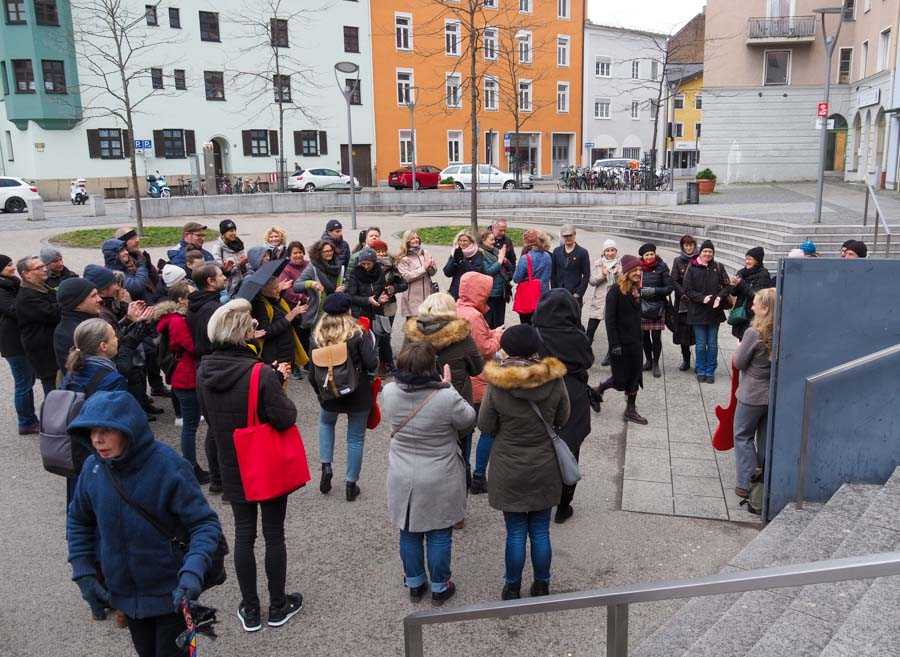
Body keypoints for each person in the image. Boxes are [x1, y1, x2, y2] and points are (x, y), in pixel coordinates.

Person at [66, 391, 223, 653]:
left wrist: (193, 571)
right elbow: (79, 520)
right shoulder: (93, 469)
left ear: (128, 430)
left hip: (172, 595)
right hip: (126, 596)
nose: (97, 439)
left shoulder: (169, 466)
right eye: (92, 430)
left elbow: (204, 525)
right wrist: (83, 569)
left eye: (106, 430)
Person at [196, 299, 303, 632]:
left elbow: (209, 417)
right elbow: (285, 418)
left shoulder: (204, 371)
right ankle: (278, 604)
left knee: (244, 534)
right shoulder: (261, 373)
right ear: (244, 336)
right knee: (273, 534)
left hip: (231, 461)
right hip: (264, 462)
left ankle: (251, 607)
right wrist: (279, 382)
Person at [478, 324, 569, 600]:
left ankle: (512, 586)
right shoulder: (554, 379)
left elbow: (485, 424)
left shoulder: (498, 383)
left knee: (515, 531)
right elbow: (563, 417)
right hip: (544, 462)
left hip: (509, 464)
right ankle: (542, 583)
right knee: (541, 530)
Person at [382, 342, 476, 606]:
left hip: (402, 471)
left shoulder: (388, 392)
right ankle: (440, 584)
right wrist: (449, 386)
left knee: (408, 529)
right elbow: (468, 419)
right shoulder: (445, 397)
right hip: (439, 472)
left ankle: (414, 582)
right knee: (438, 531)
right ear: (431, 367)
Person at [405, 291, 485, 492]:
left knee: (426, 456)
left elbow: (404, 366)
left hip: (421, 401)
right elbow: (477, 368)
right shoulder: (462, 337)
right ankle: (458, 512)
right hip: (456, 401)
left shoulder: (412, 335)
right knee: (460, 457)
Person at [309, 293, 378, 501]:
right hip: (357, 390)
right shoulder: (359, 332)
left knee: (326, 424)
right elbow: (371, 362)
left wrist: (319, 393)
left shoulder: (316, 334)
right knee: (355, 438)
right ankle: (350, 483)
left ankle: (326, 466)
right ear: (349, 311)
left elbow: (312, 369)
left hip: (328, 389)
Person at [533, 289, 593, 523]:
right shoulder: (577, 335)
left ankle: (543, 498)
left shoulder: (536, 334)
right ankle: (563, 505)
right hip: (574, 394)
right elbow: (588, 361)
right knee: (571, 448)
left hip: (544, 393)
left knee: (543, 445)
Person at [60, 317, 129, 503]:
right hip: (99, 450)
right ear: (103, 346)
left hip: (73, 447)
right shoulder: (111, 379)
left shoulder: (73, 372)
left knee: (78, 504)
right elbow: (117, 421)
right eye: (114, 336)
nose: (117, 339)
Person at [155, 281, 210, 483]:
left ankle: (191, 465)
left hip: (186, 374)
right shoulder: (177, 321)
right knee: (190, 425)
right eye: (190, 296)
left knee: (192, 423)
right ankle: (190, 467)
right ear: (180, 300)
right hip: (185, 377)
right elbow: (191, 346)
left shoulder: (177, 318)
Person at [456, 273, 502, 492]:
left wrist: (491, 332)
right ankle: (477, 476)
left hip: (461, 380)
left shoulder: (457, 308)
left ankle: (461, 475)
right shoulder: (473, 316)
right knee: (487, 429)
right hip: (478, 382)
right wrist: (499, 337)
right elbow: (484, 349)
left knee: (462, 433)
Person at [591, 255, 648, 424]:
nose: (638, 272)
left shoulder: (637, 290)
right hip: (621, 344)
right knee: (620, 379)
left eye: (640, 270)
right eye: (635, 269)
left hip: (636, 341)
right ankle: (597, 390)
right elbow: (610, 320)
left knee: (635, 376)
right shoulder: (615, 291)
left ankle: (630, 410)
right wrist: (614, 344)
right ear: (627, 271)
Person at [732, 288, 775, 500]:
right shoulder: (782, 329)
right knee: (766, 439)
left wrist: (739, 349)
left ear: (765, 308)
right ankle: (764, 483)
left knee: (743, 435)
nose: (751, 306)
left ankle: (746, 483)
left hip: (752, 393)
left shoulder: (754, 333)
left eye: (756, 303)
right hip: (773, 393)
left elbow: (739, 362)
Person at [187, 264, 226, 491]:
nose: (224, 278)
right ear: (210, 281)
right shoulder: (211, 308)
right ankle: (220, 479)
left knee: (214, 424)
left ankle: (218, 478)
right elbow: (215, 338)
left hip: (204, 364)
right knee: (217, 426)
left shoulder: (197, 303)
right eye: (220, 275)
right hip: (213, 364)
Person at [0, 255, 39, 434]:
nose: (13, 268)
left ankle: (29, 419)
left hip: (21, 340)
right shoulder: (3, 290)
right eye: (8, 265)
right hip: (13, 344)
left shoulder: (12, 283)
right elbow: (15, 310)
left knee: (27, 380)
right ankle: (26, 422)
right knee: (23, 383)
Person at [683, 240, 731, 384]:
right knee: (700, 343)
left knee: (712, 344)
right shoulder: (692, 267)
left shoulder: (718, 267)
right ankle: (701, 369)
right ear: (700, 252)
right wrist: (702, 298)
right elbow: (687, 289)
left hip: (714, 312)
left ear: (713, 253)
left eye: (710, 251)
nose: (707, 254)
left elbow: (727, 286)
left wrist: (719, 297)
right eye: (705, 251)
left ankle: (710, 371)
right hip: (697, 311)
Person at [15, 256, 60, 394]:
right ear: (26, 274)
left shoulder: (43, 287)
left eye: (44, 265)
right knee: (54, 391)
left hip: (51, 348)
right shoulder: (27, 297)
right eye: (39, 268)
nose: (45, 269)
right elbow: (53, 314)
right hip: (44, 353)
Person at [250, 273, 308, 370]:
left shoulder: (276, 300)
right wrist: (288, 317)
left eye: (278, 286)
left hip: (285, 351)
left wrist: (282, 292)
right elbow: (265, 332)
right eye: (274, 288)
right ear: (264, 290)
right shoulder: (260, 306)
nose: (278, 290)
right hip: (274, 356)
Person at [53, 277, 104, 374]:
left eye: (97, 294)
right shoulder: (71, 333)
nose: (99, 299)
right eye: (93, 296)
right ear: (77, 304)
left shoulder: (89, 320)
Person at [294, 240, 346, 332]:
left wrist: (343, 287)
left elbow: (347, 281)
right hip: (319, 312)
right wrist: (311, 283)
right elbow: (296, 286)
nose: (329, 253)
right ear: (319, 253)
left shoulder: (339, 266)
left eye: (331, 250)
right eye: (326, 251)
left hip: (335, 311)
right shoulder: (313, 267)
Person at [637, 243, 673, 379]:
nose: (650, 257)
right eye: (647, 255)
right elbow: (633, 286)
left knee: (656, 337)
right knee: (644, 336)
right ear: (643, 256)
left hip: (658, 307)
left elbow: (669, 288)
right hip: (642, 307)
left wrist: (654, 291)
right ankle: (648, 361)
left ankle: (656, 363)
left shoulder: (662, 267)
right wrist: (640, 292)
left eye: (652, 254)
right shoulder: (638, 268)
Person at [372, 239, 408, 374]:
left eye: (382, 251)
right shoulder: (368, 265)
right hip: (374, 306)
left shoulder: (392, 266)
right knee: (377, 336)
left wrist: (393, 288)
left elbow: (404, 284)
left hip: (389, 306)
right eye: (377, 251)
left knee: (386, 335)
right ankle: (382, 365)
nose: (380, 254)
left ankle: (387, 364)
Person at [586, 239, 620, 363]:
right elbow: (592, 281)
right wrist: (603, 275)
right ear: (604, 251)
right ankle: (584, 352)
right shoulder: (598, 263)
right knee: (590, 329)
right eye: (607, 250)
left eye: (612, 250)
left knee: (612, 329)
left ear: (616, 251)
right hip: (599, 300)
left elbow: (624, 281)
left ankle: (610, 355)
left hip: (614, 301)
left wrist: (617, 275)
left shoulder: (620, 264)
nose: (610, 253)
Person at [729, 246, 773, 341]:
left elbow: (757, 295)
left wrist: (741, 284)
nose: (747, 262)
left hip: (753, 315)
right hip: (741, 313)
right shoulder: (742, 272)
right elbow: (733, 293)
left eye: (750, 259)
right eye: (746, 259)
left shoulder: (763, 275)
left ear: (757, 260)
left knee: (750, 342)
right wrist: (733, 284)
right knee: (741, 341)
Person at [670, 235, 698, 372]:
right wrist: (683, 294)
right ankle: (686, 360)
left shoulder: (700, 260)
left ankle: (700, 361)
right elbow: (673, 280)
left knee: (698, 333)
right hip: (682, 302)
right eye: (686, 245)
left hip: (697, 301)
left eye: (691, 245)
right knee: (683, 332)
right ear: (682, 246)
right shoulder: (677, 261)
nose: (688, 247)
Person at [512, 229, 552, 324]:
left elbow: (516, 278)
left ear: (526, 242)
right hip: (544, 296)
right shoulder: (547, 256)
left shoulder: (525, 258)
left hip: (529, 298)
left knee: (527, 326)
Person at [396, 230, 437, 320]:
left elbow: (433, 273)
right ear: (407, 241)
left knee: (427, 328)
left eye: (417, 237)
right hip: (412, 298)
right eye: (412, 238)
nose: (416, 240)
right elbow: (406, 277)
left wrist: (431, 266)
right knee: (413, 329)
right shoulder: (403, 258)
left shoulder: (424, 253)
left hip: (427, 295)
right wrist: (424, 268)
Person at [550, 225, 590, 311]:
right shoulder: (556, 251)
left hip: (574, 295)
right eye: (565, 236)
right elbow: (553, 273)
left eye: (570, 235)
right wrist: (554, 291)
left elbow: (586, 275)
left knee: (574, 321)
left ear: (574, 234)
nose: (568, 238)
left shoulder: (582, 252)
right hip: (558, 294)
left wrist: (579, 293)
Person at [346, 247, 387, 326]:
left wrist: (382, 296)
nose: (366, 266)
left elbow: (382, 287)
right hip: (360, 313)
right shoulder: (355, 274)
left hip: (376, 310)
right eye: (363, 264)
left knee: (378, 335)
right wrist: (368, 300)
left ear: (374, 262)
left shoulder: (380, 272)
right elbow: (350, 296)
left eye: (369, 264)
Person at [479, 229, 511, 329]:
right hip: (491, 293)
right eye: (491, 239)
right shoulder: (481, 254)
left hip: (501, 291)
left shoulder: (495, 250)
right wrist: (500, 261)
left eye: (494, 239)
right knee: (490, 320)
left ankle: (500, 339)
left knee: (500, 320)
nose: (494, 242)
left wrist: (505, 261)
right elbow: (488, 271)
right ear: (483, 240)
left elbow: (508, 265)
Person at [211, 219, 249, 299]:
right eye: (231, 231)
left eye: (235, 230)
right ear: (223, 233)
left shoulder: (239, 244)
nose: (234, 233)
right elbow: (218, 270)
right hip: (228, 288)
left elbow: (244, 267)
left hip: (241, 283)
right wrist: (227, 268)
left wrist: (243, 264)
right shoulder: (217, 248)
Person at [488, 219, 517, 322]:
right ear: (493, 228)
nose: (503, 233)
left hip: (502, 285)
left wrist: (510, 275)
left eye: (505, 230)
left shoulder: (507, 241)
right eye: (500, 230)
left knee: (500, 317)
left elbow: (513, 260)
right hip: (488, 285)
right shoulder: (484, 239)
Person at [443, 231, 484, 300]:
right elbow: (447, 273)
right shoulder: (455, 252)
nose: (462, 243)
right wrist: (454, 260)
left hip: (471, 292)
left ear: (471, 241)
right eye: (460, 240)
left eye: (465, 241)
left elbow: (476, 272)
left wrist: (463, 261)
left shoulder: (478, 253)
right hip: (456, 290)